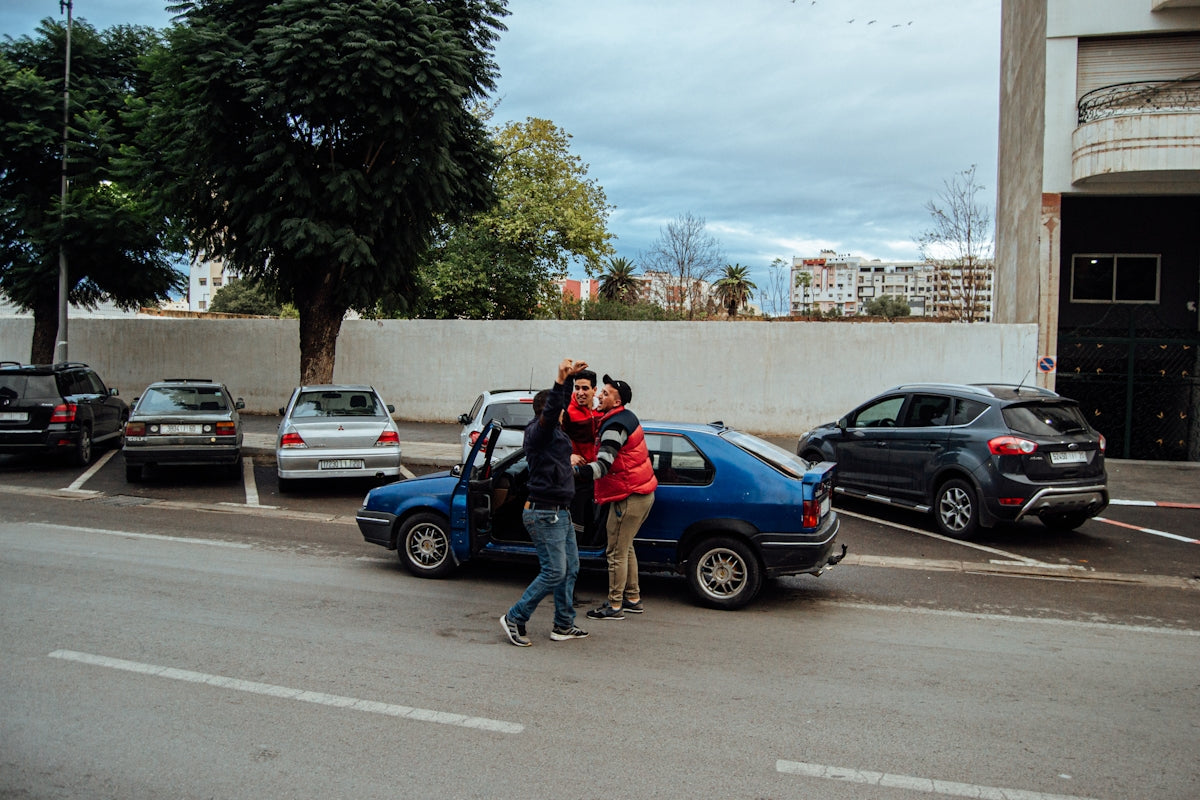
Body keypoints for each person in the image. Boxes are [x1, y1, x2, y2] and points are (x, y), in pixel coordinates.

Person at [500, 358, 591, 646]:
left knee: (571, 568)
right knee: (554, 571)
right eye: (560, 404)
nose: (564, 408)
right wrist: (560, 380)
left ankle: (563, 625)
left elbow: (558, 408)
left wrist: (569, 382)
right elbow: (552, 412)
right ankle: (515, 617)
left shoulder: (555, 434)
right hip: (543, 513)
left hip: (559, 512)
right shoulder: (539, 433)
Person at [573, 374, 658, 620]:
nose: (599, 395)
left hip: (628, 497)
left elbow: (603, 466)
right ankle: (632, 598)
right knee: (626, 547)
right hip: (641, 492)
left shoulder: (614, 427)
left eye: (605, 393)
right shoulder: (626, 417)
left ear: (617, 400)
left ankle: (614, 605)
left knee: (615, 553)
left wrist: (575, 472)